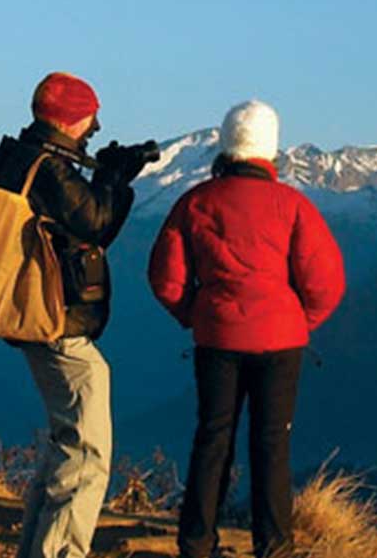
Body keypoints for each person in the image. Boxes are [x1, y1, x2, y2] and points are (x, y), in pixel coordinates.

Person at [148, 100, 346, 558]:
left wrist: (195, 314)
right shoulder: (293, 206)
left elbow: (165, 277)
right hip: (281, 342)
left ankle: (197, 543)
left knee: (212, 437)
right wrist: (299, 320)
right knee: (272, 443)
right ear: (270, 150)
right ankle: (273, 547)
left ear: (225, 144)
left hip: (216, 338)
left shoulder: (195, 201)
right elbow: (327, 282)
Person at [0, 72, 136, 558]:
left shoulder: (22, 158)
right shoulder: (51, 169)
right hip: (58, 318)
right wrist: (114, 179)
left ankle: (38, 548)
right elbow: (97, 223)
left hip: (32, 316)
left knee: (65, 440)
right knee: (86, 449)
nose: (94, 130)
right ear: (75, 118)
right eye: (91, 121)